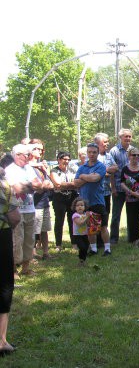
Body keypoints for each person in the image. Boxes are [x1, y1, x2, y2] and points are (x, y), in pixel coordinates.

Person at [5, 144, 43, 278]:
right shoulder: (10, 170)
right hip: (16, 210)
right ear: (17, 155)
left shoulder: (29, 168)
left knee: (29, 239)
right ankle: (14, 269)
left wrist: (28, 185)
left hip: (30, 208)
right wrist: (31, 186)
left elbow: (40, 186)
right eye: (26, 154)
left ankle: (26, 267)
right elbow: (17, 189)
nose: (29, 157)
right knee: (16, 240)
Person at [74, 143, 111, 256]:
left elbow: (96, 178)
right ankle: (93, 249)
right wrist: (88, 177)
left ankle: (107, 249)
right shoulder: (82, 167)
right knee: (90, 226)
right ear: (87, 153)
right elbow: (76, 183)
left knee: (103, 226)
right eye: (89, 152)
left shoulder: (101, 166)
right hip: (85, 202)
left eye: (94, 152)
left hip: (98, 201)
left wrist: (83, 176)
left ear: (97, 153)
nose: (91, 154)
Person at [0, 167, 21, 356]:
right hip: (1, 235)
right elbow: (15, 216)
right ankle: (1, 341)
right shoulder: (4, 186)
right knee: (4, 284)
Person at [29, 139, 54, 259]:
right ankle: (32, 254)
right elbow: (37, 187)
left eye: (41, 149)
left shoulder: (41, 166)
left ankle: (46, 252)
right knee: (34, 230)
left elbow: (50, 183)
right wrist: (44, 185)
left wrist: (45, 183)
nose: (40, 151)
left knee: (44, 229)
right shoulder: (28, 166)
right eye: (36, 148)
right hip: (34, 203)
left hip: (44, 201)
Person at [109, 128, 134, 244]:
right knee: (116, 215)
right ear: (120, 138)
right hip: (118, 189)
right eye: (126, 136)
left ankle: (132, 237)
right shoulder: (114, 151)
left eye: (130, 136)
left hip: (131, 189)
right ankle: (114, 239)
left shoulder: (133, 150)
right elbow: (111, 172)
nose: (128, 138)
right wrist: (113, 188)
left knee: (132, 214)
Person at [95, 133, 118, 248]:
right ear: (97, 144)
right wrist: (105, 172)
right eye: (105, 142)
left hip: (106, 192)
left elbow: (115, 168)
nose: (107, 144)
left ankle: (104, 240)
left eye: (107, 142)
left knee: (105, 216)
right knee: (95, 217)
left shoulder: (108, 156)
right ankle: (96, 242)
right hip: (95, 193)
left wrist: (104, 170)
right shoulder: (93, 156)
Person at [71, 197, 90, 265]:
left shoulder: (85, 214)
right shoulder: (75, 215)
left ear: (85, 207)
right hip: (77, 235)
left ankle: (83, 260)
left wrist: (89, 218)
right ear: (75, 207)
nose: (80, 207)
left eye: (82, 205)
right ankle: (81, 259)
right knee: (82, 247)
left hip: (85, 234)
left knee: (86, 246)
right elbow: (79, 223)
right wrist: (87, 217)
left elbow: (88, 223)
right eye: (78, 205)